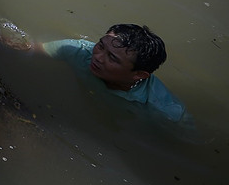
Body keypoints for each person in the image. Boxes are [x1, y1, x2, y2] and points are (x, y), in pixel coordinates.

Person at [41, 23, 190, 124]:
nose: (97, 57)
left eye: (112, 58)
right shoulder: (76, 51)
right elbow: (26, 49)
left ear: (139, 75)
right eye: (100, 46)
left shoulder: (165, 110)